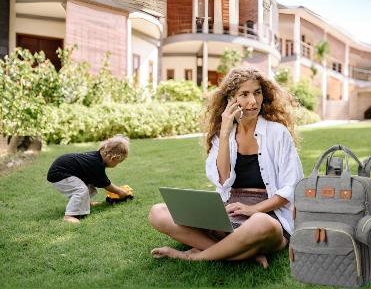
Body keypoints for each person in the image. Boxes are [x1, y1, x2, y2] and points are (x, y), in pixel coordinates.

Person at [148, 66, 304, 268]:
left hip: (267, 215)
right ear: (231, 99)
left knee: (261, 223)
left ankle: (195, 255)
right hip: (229, 212)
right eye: (244, 94)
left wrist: (253, 209)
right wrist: (224, 133)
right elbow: (223, 180)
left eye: (257, 93)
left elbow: (292, 187)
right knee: (158, 212)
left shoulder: (277, 133)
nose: (253, 101)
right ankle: (240, 251)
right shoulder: (223, 135)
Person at [47, 135, 130, 223]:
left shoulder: (97, 158)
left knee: (89, 184)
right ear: (113, 159)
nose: (117, 165)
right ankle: (69, 216)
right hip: (59, 173)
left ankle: (86, 203)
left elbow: (96, 181)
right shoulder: (96, 164)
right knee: (81, 189)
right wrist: (120, 192)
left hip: (66, 170)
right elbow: (105, 183)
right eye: (118, 162)